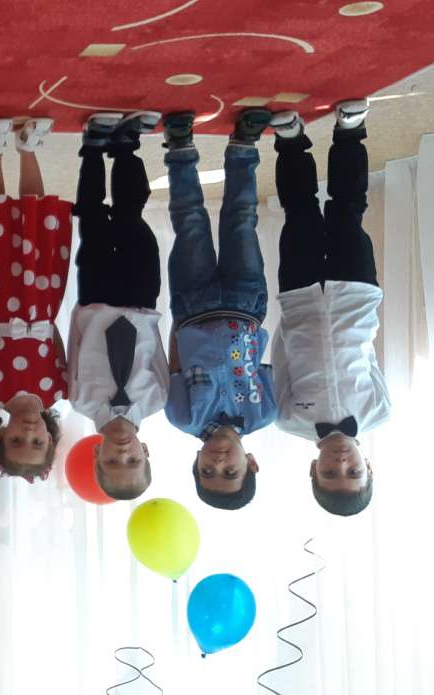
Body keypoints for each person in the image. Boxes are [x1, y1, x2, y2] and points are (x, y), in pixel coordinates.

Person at [270, 100, 386, 517]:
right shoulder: (379, 412)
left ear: (313, 469)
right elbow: (369, 358)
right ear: (367, 465)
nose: (341, 463)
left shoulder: (287, 419)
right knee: (347, 212)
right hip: (356, 294)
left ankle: (291, 143)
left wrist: (294, 316)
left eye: (330, 473)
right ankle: (350, 133)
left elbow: (281, 358)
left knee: (299, 214)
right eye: (353, 471)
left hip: (299, 298)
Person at [162, 107, 277, 511]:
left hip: (192, 305)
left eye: (208, 471)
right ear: (252, 463)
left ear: (196, 463)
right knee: (241, 221)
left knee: (190, 223)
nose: (219, 462)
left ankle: (179, 149)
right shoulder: (264, 413)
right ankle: (244, 146)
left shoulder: (184, 418)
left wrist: (181, 319)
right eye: (231, 472)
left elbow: (174, 364)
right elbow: (263, 364)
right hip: (246, 305)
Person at [0, 117, 72, 482]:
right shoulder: (58, 389)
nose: (29, 432)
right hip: (43, 301)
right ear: (50, 438)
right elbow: (57, 343)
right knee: (36, 222)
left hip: (0, 301)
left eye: (18, 440)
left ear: (2, 435)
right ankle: (28, 149)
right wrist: (44, 321)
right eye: (37, 442)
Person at [66, 112, 170, 500]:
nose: (122, 453)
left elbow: (75, 347)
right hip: (141, 302)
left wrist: (82, 311)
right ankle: (125, 148)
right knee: (132, 221)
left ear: (96, 453)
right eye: (133, 461)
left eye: (112, 461)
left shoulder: (81, 400)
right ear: (146, 452)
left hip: (96, 300)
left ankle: (93, 149)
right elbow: (157, 352)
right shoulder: (157, 399)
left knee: (93, 220)